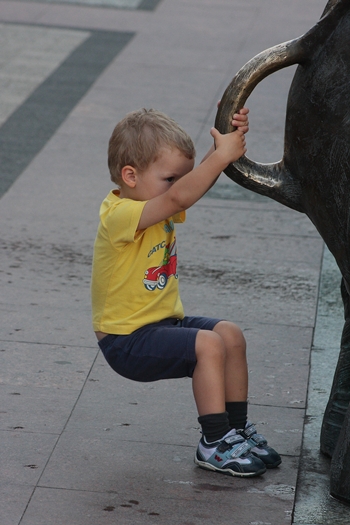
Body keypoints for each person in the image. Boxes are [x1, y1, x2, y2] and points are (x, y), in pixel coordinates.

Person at [91, 107, 281, 478]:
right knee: (208, 344)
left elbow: (186, 188)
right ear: (130, 176)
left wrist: (227, 143)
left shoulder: (155, 200)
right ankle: (213, 442)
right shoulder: (120, 214)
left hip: (163, 325)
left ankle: (236, 432)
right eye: (169, 178)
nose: (178, 185)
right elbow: (181, 196)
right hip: (125, 340)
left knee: (229, 334)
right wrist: (221, 156)